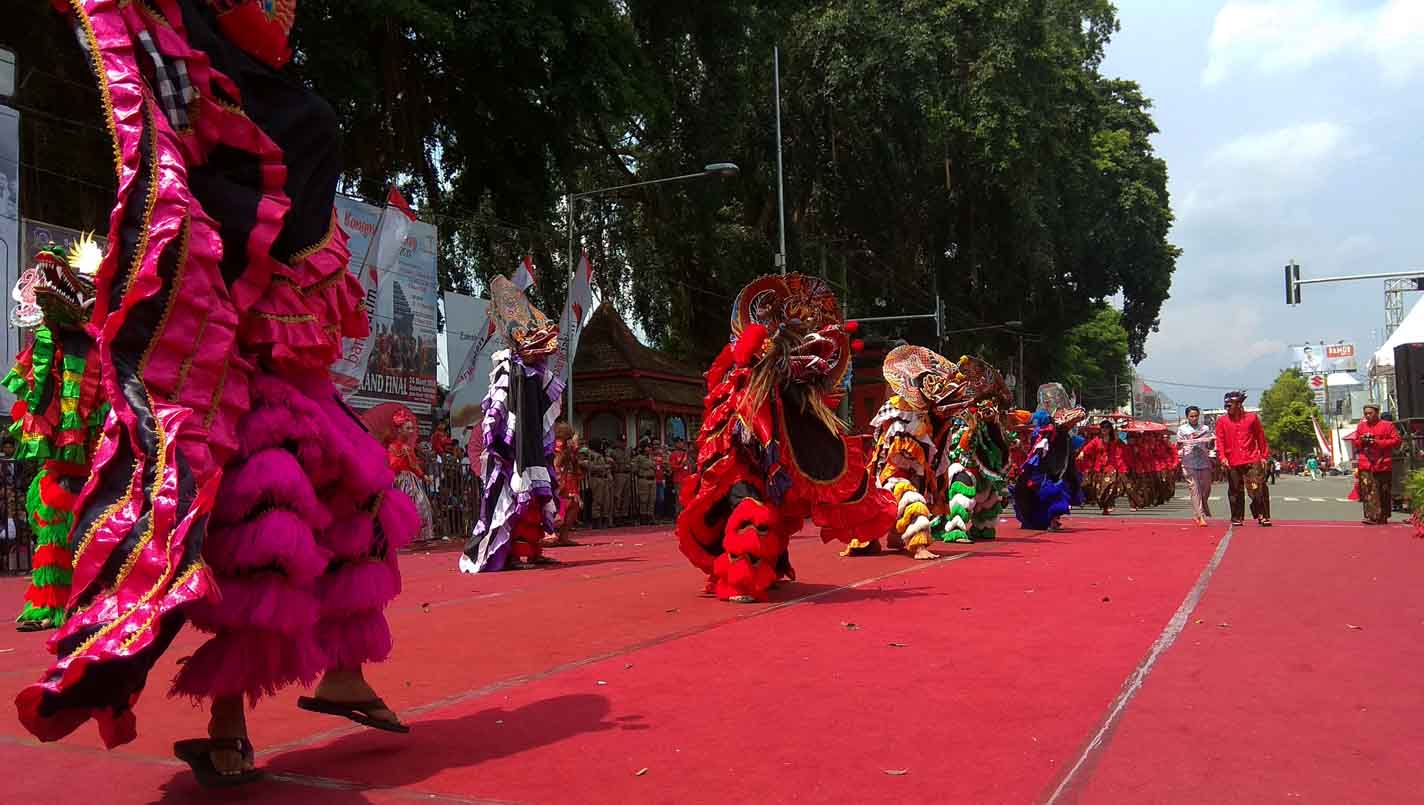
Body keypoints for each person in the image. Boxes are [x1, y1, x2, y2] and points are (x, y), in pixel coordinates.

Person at [20, 2, 421, 787]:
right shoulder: (239, 103)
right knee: (273, 533)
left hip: (276, 377)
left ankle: (322, 685)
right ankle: (235, 729)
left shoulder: (243, 105)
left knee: (334, 515)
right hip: (244, 376)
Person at [676, 273, 895, 602]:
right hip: (737, 455)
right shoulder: (747, 361)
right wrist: (767, 350)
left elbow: (819, 383)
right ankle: (739, 579)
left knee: (771, 511)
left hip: (773, 458)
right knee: (748, 506)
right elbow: (737, 367)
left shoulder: (795, 377)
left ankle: (764, 567)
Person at [461, 275, 563, 572]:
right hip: (513, 447)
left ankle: (534, 549)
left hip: (533, 445)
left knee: (537, 495)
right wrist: (501, 437)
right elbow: (498, 409)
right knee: (516, 496)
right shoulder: (509, 368)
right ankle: (516, 553)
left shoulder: (538, 373)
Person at [1215, 390, 1271, 527]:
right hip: (1232, 461)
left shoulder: (1252, 418)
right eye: (1226, 405)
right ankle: (1237, 517)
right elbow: (1220, 441)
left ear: (1239, 404)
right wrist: (1222, 457)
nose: (1227, 407)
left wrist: (1264, 456)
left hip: (1252, 459)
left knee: (1257, 487)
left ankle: (1263, 515)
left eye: (1230, 404)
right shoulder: (1222, 421)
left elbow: (1260, 437)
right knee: (1235, 490)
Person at [1352, 404, 1402, 524]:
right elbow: (1356, 443)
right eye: (1366, 414)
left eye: (1370, 413)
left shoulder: (1387, 425)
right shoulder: (1361, 426)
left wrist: (1377, 442)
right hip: (1366, 463)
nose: (1368, 416)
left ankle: (1382, 516)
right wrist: (1362, 440)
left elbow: (1397, 441)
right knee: (1368, 489)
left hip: (1383, 463)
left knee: (1383, 490)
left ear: (1377, 412)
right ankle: (1371, 516)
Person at [1077, 420, 1127, 515]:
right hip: (1099, 468)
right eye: (1102, 427)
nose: (1104, 429)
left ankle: (1109, 504)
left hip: (1111, 466)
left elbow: (1124, 447)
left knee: (1111, 484)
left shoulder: (1115, 440)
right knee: (1099, 489)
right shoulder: (1097, 440)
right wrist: (1082, 453)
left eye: (1106, 428)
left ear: (1110, 429)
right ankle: (1104, 506)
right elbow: (1088, 447)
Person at [1178, 406, 1215, 527]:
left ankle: (1203, 505)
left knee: (1206, 487)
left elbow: (1209, 446)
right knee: (1195, 488)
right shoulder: (1182, 429)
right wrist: (1180, 444)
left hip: (1203, 461)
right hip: (1189, 462)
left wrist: (1212, 441)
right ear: (1187, 417)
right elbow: (1178, 446)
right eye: (1191, 416)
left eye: (1196, 416)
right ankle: (1200, 516)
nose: (1194, 418)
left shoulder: (1205, 428)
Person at [586, 441, 613, 528]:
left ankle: (605, 520)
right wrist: (604, 467)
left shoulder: (601, 455)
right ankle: (596, 521)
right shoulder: (592, 455)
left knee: (606, 501)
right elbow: (591, 467)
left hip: (604, 479)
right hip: (596, 478)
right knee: (597, 500)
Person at [631, 444, 657, 525]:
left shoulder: (651, 457)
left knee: (652, 499)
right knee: (644, 499)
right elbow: (634, 468)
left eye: (649, 447)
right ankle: (643, 516)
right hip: (643, 479)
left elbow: (656, 466)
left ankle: (650, 516)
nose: (648, 449)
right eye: (647, 447)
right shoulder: (639, 458)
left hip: (652, 479)